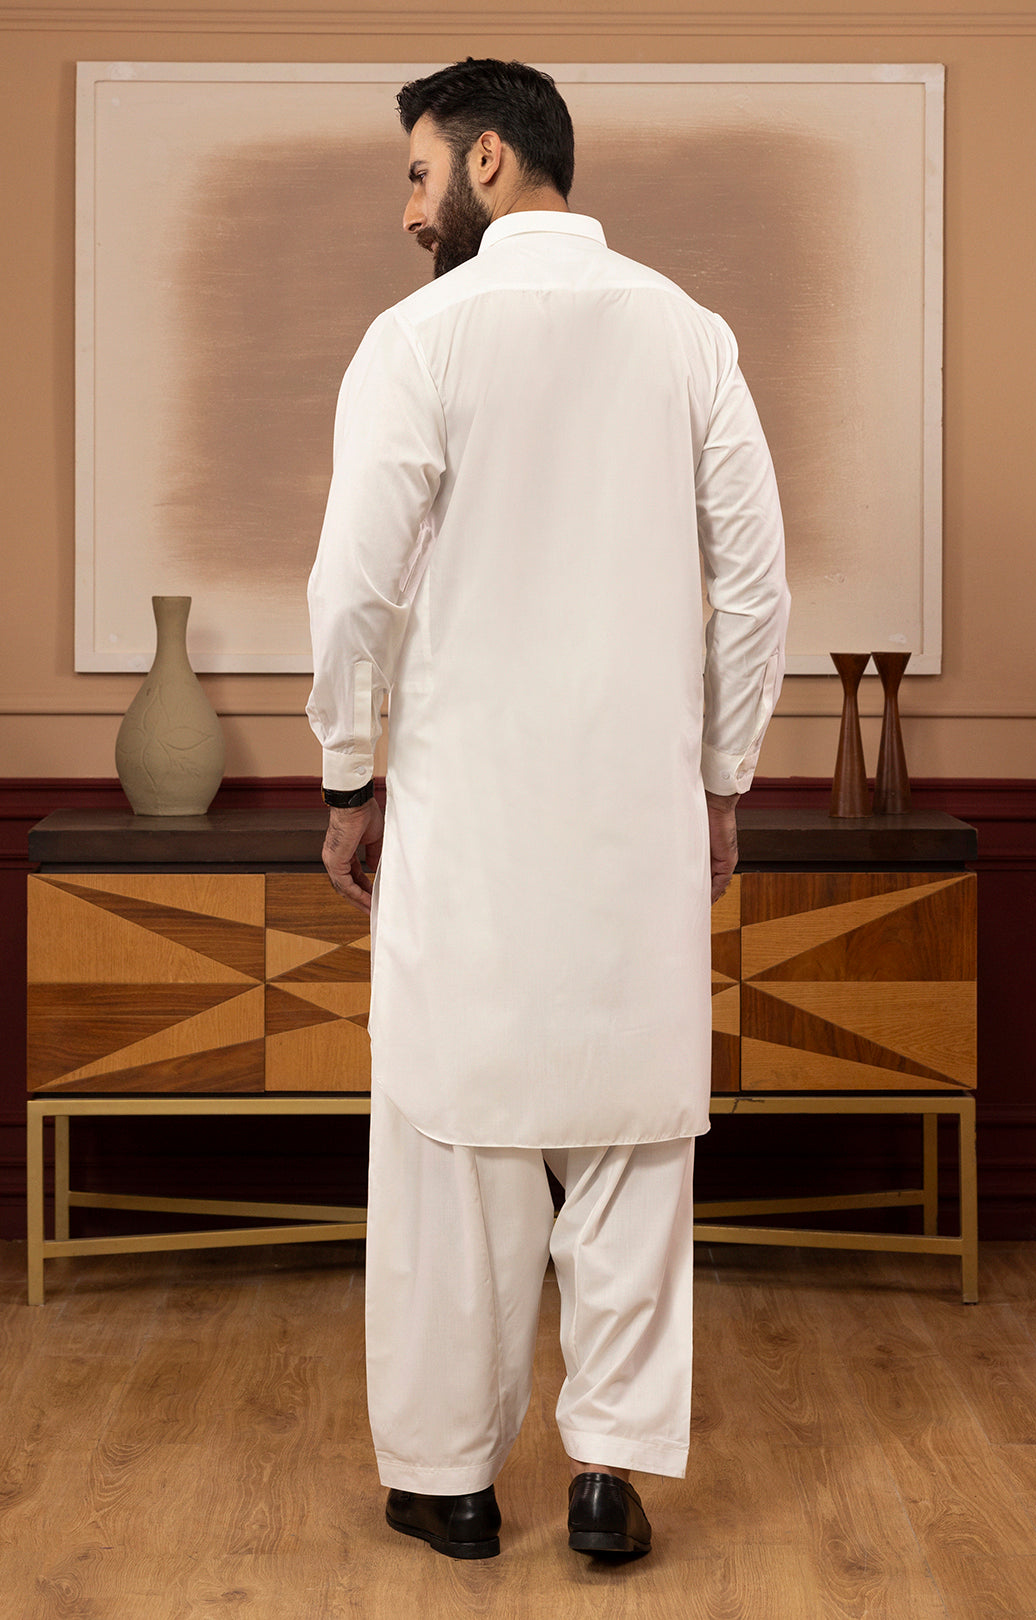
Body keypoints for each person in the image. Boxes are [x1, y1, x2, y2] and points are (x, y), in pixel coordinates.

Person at [306, 57, 789, 1562]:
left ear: (489, 161)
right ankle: (608, 1478)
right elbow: (755, 587)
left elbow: (353, 590)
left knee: (457, 1142)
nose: (408, 212)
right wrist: (722, 781)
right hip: (639, 819)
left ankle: (451, 1481)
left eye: (417, 173)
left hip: (470, 820)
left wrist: (347, 772)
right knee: (635, 1143)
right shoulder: (690, 334)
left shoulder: (419, 338)